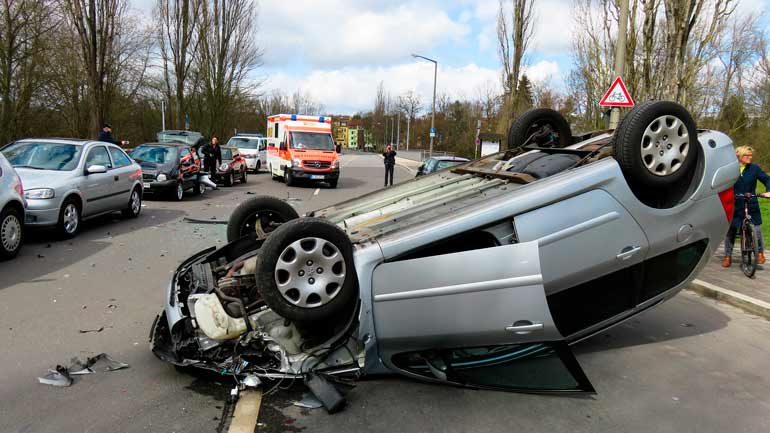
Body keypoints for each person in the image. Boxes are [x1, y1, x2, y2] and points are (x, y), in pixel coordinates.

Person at [722, 145, 770, 268]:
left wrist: (768, 190)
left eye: (751, 155)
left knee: (757, 229)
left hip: (751, 202)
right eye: (746, 155)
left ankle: (760, 253)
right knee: (731, 230)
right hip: (736, 204)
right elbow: (723, 184)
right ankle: (728, 256)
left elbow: (767, 179)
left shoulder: (754, 168)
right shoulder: (730, 169)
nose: (750, 157)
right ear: (739, 156)